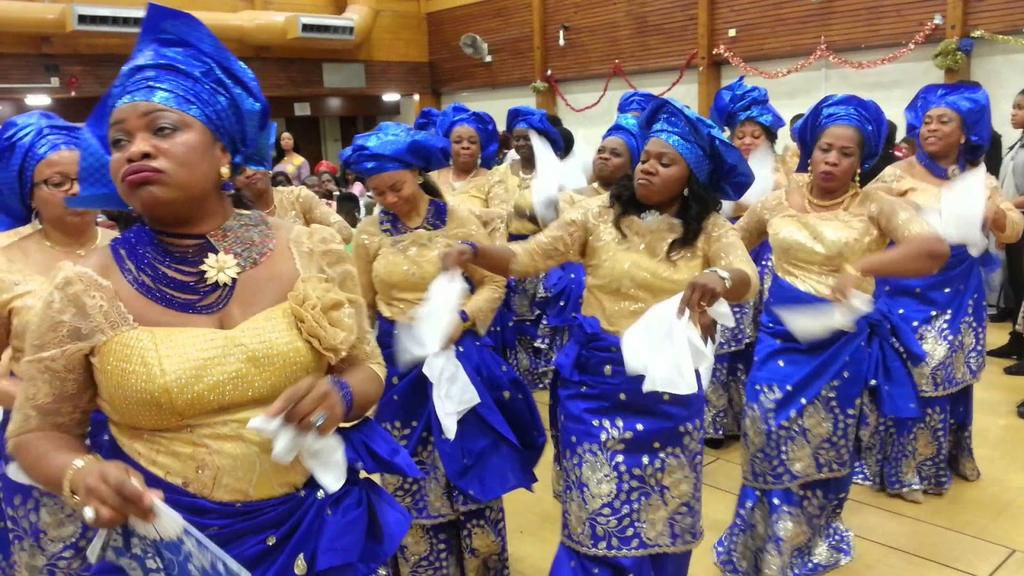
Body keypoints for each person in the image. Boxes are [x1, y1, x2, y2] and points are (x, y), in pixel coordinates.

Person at [5, 6, 414, 574]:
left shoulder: (305, 249)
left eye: (162, 129)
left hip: (316, 531)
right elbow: (40, 431)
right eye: (119, 140)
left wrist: (342, 395)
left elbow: (365, 365)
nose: (136, 149)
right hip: (167, 543)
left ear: (225, 149)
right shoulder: (86, 287)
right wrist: (81, 473)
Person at [444, 97, 759, 576]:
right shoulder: (595, 215)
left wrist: (719, 276)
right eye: (646, 158)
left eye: (664, 162)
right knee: (597, 508)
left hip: (667, 394)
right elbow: (526, 258)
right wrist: (472, 250)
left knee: (662, 512)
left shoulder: (709, 229)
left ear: (689, 178)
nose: (647, 168)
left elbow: (746, 276)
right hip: (595, 388)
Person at [714, 94, 950, 575]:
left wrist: (864, 265)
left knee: (824, 444)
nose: (832, 160)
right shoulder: (777, 200)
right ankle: (763, 543)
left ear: (861, 161)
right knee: (766, 434)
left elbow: (932, 249)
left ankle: (810, 538)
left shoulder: (874, 205)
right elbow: (731, 244)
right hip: (780, 341)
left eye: (846, 153)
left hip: (840, 346)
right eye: (825, 148)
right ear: (808, 148)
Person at [344, 122, 545, 575]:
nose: (390, 200)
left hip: (458, 354)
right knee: (409, 473)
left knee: (472, 459)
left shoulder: (458, 220)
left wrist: (462, 318)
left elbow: (494, 282)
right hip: (400, 366)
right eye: (379, 194)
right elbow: (362, 307)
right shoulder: (371, 233)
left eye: (396, 187)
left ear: (416, 173)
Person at [856, 83, 1023, 501]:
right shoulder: (898, 173)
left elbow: (1015, 230)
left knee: (952, 374)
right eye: (927, 121)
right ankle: (900, 466)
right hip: (904, 290)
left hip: (958, 291)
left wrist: (997, 215)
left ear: (965, 133)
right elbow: (860, 215)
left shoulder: (979, 177)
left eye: (943, 121)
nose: (931, 128)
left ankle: (950, 454)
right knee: (911, 375)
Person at [0, 110, 117, 574]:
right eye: (57, 181)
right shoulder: (6, 260)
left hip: (132, 434)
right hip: (41, 440)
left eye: (85, 176)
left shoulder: (130, 248)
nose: (76, 190)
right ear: (28, 191)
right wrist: (44, 401)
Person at [704, 76, 789, 448]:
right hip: (723, 255)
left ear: (768, 138)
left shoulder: (783, 173)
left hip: (767, 261)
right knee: (722, 338)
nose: (748, 141)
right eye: (741, 134)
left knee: (756, 341)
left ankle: (749, 418)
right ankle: (715, 420)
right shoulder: (716, 169)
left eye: (756, 134)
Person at [480, 106, 566, 390]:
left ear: (539, 139)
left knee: (539, 317)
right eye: (516, 138)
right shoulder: (501, 172)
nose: (519, 144)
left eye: (526, 138)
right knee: (511, 317)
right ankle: (516, 373)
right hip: (507, 250)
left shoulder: (555, 174)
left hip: (542, 251)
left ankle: (541, 373)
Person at [988, 88, 1024, 369]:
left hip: (1019, 217)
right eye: (1014, 106)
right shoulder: (1017, 144)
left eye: (1020, 108)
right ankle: (1017, 339)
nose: (1013, 112)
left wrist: (1006, 209)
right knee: (1015, 284)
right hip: (1015, 220)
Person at [427, 103, 501, 234]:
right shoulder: (431, 179)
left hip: (479, 250)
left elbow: (500, 219)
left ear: (481, 148)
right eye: (458, 141)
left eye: (472, 142)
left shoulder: (493, 179)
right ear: (447, 145)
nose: (465, 146)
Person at [233, 164, 354, 243]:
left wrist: (302, 245)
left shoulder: (297, 197)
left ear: (267, 168)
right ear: (232, 181)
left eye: (253, 164)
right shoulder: (234, 218)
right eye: (240, 171)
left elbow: (345, 232)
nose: (249, 173)